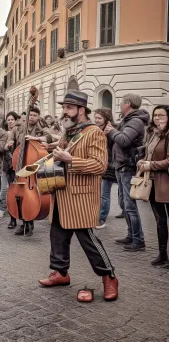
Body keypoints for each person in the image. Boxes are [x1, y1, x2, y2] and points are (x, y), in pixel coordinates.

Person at [39, 90, 118, 302]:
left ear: (81, 110)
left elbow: (100, 165)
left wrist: (69, 159)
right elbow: (65, 149)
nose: (64, 112)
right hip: (61, 193)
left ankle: (109, 277)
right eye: (64, 107)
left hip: (81, 198)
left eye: (68, 108)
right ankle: (61, 273)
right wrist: (53, 148)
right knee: (57, 235)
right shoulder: (70, 131)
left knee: (88, 241)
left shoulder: (94, 133)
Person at [105, 93, 149, 252]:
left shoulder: (135, 121)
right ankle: (132, 235)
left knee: (130, 206)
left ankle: (138, 239)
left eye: (121, 102)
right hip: (121, 165)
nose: (119, 104)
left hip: (127, 167)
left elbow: (124, 140)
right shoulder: (128, 120)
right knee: (125, 204)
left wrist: (111, 131)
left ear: (128, 104)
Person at [5, 106, 53, 236]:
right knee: (19, 195)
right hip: (19, 165)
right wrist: (9, 145)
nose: (31, 117)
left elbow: (51, 138)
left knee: (31, 195)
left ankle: (29, 222)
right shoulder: (18, 128)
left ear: (38, 117)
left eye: (34, 115)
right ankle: (24, 222)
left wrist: (40, 139)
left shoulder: (42, 129)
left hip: (34, 168)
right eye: (30, 115)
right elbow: (10, 141)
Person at [138, 106, 169, 266]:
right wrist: (142, 161)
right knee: (160, 221)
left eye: (161, 115)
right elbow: (148, 154)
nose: (157, 118)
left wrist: (150, 165)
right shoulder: (153, 134)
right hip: (153, 183)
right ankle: (162, 254)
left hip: (166, 183)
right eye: (155, 115)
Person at [94, 108, 117, 229]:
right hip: (99, 163)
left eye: (99, 118)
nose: (96, 120)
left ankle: (102, 218)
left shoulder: (110, 130)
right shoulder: (97, 129)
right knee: (99, 193)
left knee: (105, 194)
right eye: (96, 117)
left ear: (106, 118)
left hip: (109, 165)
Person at [0, 111, 18, 223]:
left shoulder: (19, 132)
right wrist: (5, 146)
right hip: (6, 164)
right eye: (9, 120)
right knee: (4, 188)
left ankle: (15, 211)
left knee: (15, 189)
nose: (10, 121)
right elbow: (1, 148)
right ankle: (2, 208)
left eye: (12, 119)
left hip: (17, 164)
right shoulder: (5, 133)